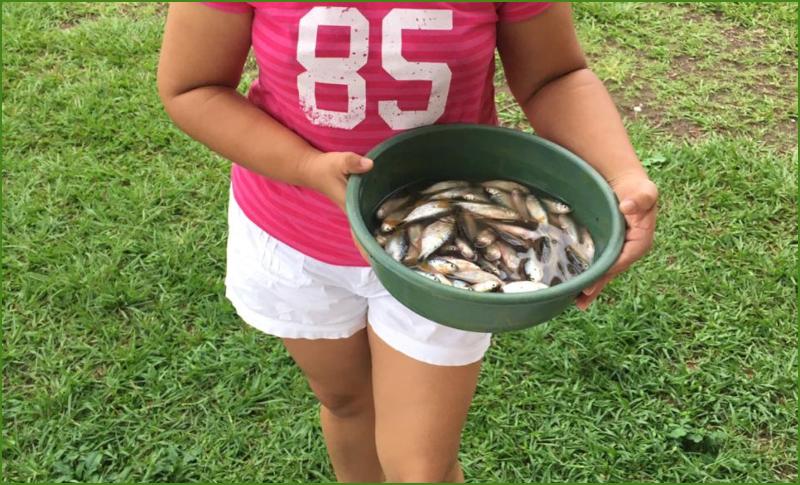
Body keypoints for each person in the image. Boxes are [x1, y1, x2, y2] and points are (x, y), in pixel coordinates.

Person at [157, 2, 658, 482]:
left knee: (420, 468)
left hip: (458, 249)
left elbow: (554, 76)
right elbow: (194, 86)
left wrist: (623, 174)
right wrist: (306, 168)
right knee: (347, 403)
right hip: (294, 236)